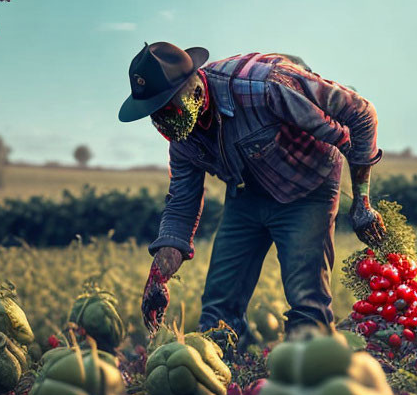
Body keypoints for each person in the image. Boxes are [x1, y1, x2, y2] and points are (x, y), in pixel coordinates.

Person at [118, 41, 386, 341]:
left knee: (307, 303)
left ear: (194, 86)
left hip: (308, 188)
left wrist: (362, 201)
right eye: (155, 113)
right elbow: (182, 206)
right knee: (218, 310)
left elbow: (361, 113)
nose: (163, 120)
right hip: (247, 194)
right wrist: (158, 277)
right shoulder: (183, 139)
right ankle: (225, 379)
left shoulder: (265, 84)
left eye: (168, 106)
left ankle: (310, 369)